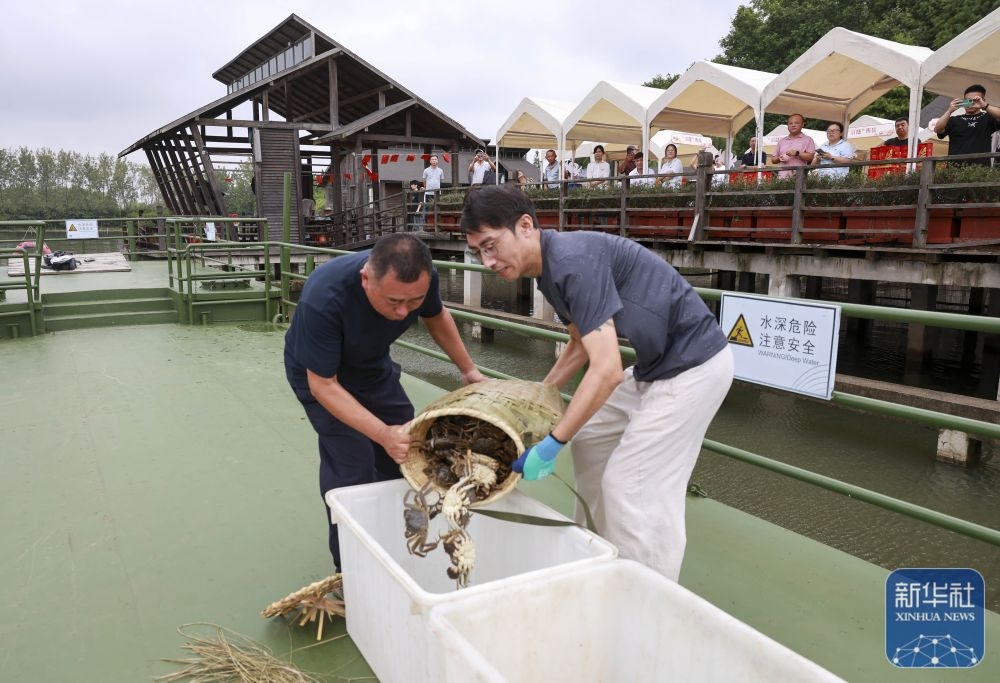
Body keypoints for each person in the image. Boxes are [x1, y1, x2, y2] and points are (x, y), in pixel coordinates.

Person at [460, 185, 734, 581]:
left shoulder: (571, 262)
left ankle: (650, 592)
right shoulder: (547, 272)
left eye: (490, 245)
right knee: (590, 438)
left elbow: (606, 369)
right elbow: (578, 345)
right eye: (478, 252)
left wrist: (552, 442)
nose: (487, 261)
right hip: (655, 367)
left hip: (695, 368)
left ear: (524, 226)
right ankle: (598, 554)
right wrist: (538, 398)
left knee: (632, 485)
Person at [284, 234, 486, 571]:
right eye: (394, 301)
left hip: (372, 367)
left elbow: (435, 316)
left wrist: (469, 370)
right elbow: (323, 384)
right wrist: (382, 433)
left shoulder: (423, 277)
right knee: (353, 462)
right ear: (366, 279)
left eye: (413, 300)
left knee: (409, 452)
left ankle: (401, 544)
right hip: (321, 375)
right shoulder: (323, 297)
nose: (404, 311)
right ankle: (349, 567)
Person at [933, 84, 1000, 166]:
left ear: (983, 100)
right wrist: (949, 111)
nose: (970, 103)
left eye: (975, 100)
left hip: (981, 169)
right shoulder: (954, 120)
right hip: (955, 169)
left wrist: (985, 106)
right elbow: (937, 129)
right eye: (967, 100)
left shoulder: (988, 117)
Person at [770, 113, 816, 178]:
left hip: (799, 177)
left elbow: (811, 157)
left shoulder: (808, 139)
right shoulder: (782, 141)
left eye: (796, 123)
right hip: (782, 177)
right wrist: (779, 158)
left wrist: (797, 153)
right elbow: (773, 160)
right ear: (788, 125)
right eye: (790, 123)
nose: (793, 125)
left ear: (802, 124)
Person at [421, 154, 445, 221]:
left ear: (437, 161)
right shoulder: (426, 170)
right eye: (432, 159)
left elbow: (441, 181)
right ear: (430, 161)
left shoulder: (441, 170)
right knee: (427, 208)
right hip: (428, 192)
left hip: (437, 193)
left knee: (437, 208)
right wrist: (425, 188)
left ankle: (437, 223)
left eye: (435, 159)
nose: (434, 161)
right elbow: (424, 180)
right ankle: (426, 224)